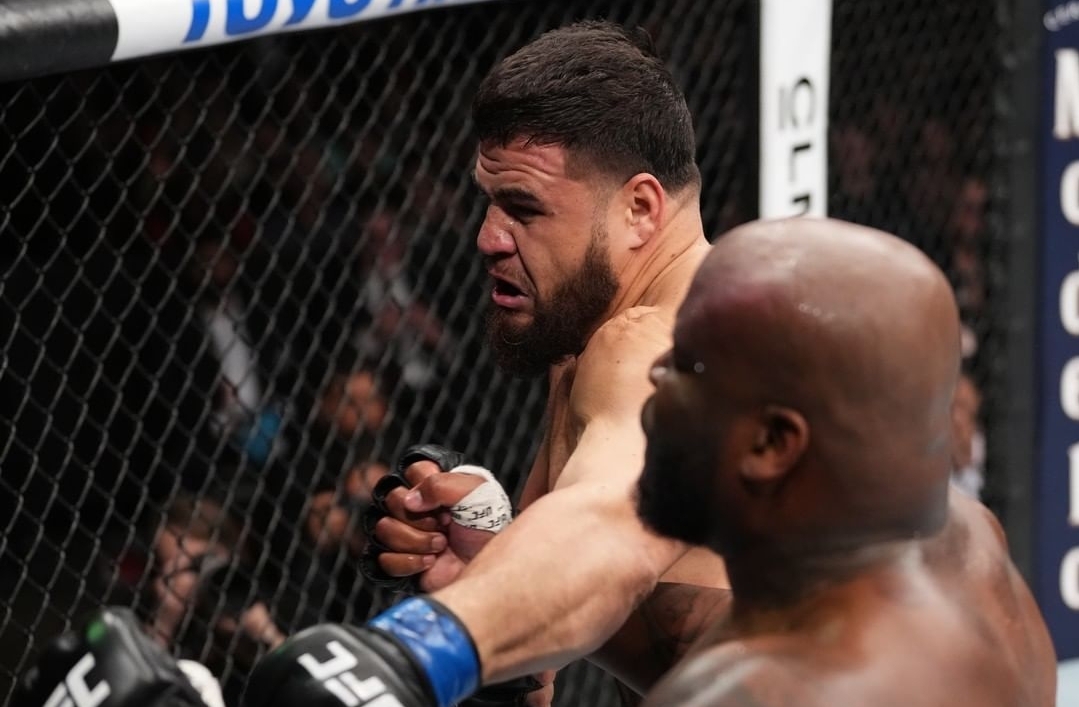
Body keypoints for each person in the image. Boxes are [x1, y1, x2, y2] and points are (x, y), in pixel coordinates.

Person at [243, 20, 730, 707]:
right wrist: (491, 563)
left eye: (523, 208)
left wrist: (408, 652)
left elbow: (607, 531)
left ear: (639, 209)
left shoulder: (655, 347)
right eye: (489, 201)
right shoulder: (588, 341)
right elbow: (538, 676)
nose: (487, 237)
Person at [635, 218, 1056, 706]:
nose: (654, 371)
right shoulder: (978, 557)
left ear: (772, 443)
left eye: (686, 363)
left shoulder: (749, 698)